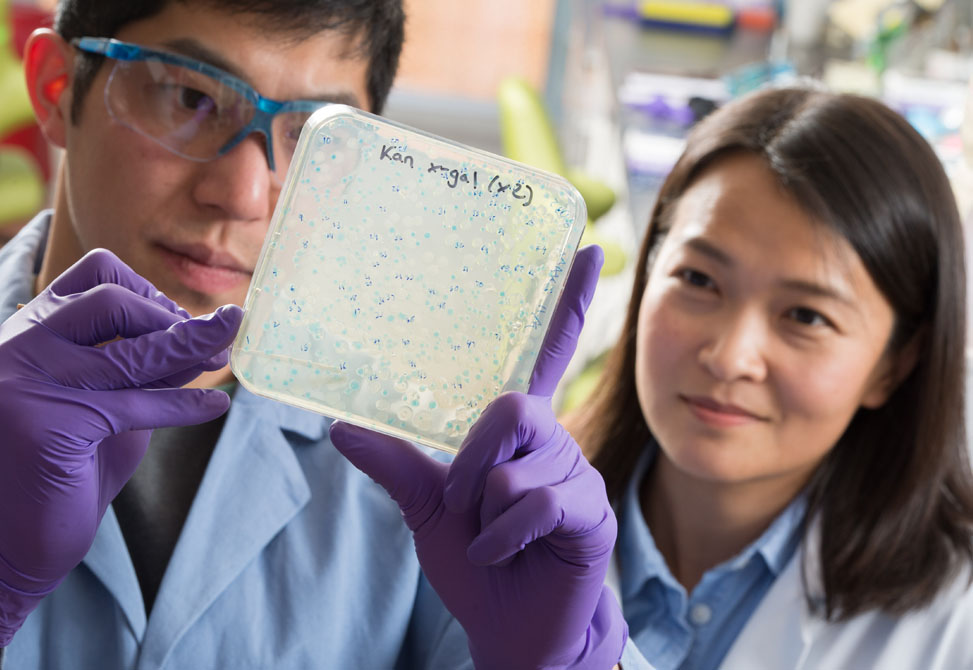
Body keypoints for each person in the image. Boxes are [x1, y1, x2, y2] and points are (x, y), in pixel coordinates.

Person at [0, 1, 634, 668]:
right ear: (56, 85)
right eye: (188, 96)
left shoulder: (442, 451)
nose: (244, 192)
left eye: (311, 137)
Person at [555, 86, 972, 668]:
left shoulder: (955, 628)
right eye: (699, 280)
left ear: (894, 366)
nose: (729, 358)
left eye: (805, 316)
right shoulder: (504, 520)